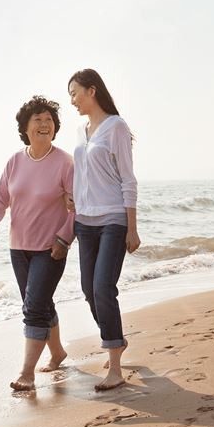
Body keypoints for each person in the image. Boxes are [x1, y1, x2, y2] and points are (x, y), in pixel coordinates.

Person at [0, 96, 74, 391]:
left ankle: (27, 373)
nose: (45, 124)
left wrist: (64, 237)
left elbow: (79, 206)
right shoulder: (14, 161)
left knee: (34, 307)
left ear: (55, 127)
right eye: (38, 120)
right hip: (18, 247)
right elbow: (0, 197)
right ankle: (57, 352)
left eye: (49, 120)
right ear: (25, 127)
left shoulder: (65, 162)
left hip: (51, 248)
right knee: (38, 302)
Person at [67, 68, 141, 391]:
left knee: (102, 287)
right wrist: (73, 200)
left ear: (92, 91)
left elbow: (128, 179)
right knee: (88, 289)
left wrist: (132, 227)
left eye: (74, 93)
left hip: (113, 219)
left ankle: (114, 366)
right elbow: (83, 175)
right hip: (85, 222)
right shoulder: (82, 131)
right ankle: (116, 339)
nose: (72, 100)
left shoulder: (116, 127)